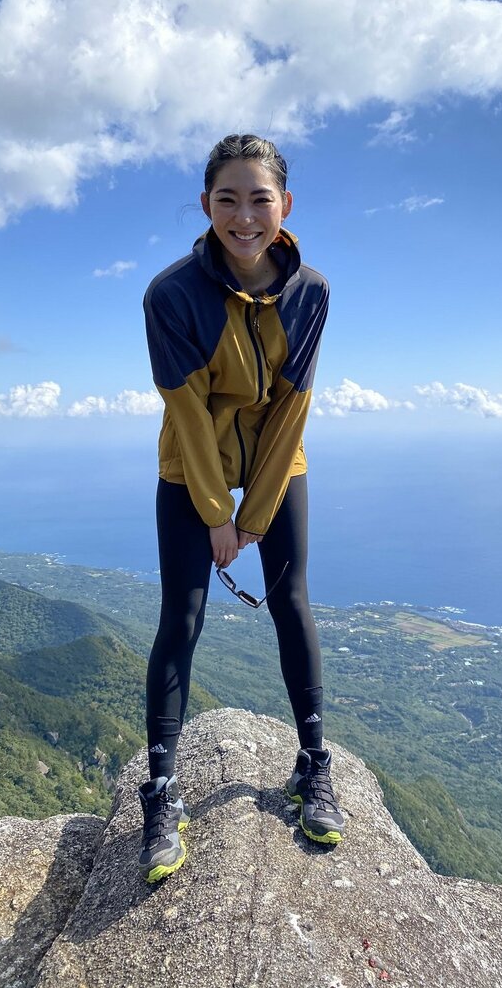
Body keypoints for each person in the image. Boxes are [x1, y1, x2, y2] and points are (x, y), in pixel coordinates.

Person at [137, 134, 345, 884]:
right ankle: (159, 794)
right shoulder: (172, 295)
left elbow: (293, 408)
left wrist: (253, 515)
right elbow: (187, 413)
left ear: (284, 207)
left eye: (260, 198)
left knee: (291, 599)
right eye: (228, 198)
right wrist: (215, 510)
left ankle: (314, 763)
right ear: (206, 207)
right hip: (190, 472)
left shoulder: (311, 292)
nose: (245, 215)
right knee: (181, 618)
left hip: (274, 471)